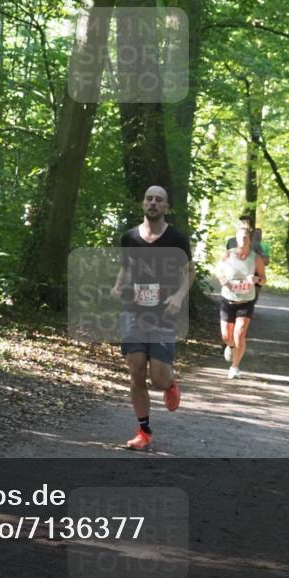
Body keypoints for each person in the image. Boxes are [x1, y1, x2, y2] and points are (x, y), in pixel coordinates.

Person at [110, 185, 192, 451]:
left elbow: (189, 273)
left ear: (166, 207)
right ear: (143, 203)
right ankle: (143, 432)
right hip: (134, 311)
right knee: (135, 370)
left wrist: (179, 297)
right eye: (149, 198)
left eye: (159, 199)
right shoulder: (130, 237)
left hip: (163, 314)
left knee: (157, 378)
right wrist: (117, 286)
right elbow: (126, 269)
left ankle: (169, 383)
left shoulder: (177, 239)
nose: (153, 203)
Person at [215, 225, 267, 379]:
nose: (243, 240)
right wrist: (225, 281)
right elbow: (218, 271)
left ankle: (235, 366)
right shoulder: (227, 255)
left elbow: (264, 280)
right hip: (228, 299)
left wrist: (256, 279)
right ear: (235, 239)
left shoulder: (256, 259)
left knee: (239, 333)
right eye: (240, 237)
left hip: (246, 300)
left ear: (250, 240)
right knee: (226, 336)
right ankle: (230, 346)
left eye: (245, 237)